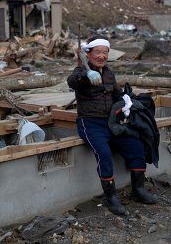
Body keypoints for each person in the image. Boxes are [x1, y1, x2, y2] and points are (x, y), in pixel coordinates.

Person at [67, 35, 158, 215]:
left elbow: (115, 93)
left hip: (111, 123)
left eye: (105, 52)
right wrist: (87, 74)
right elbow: (72, 81)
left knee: (136, 146)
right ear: (89, 54)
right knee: (104, 154)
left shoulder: (108, 72)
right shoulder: (80, 71)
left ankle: (138, 190)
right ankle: (111, 198)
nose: (101, 56)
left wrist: (126, 99)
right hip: (90, 124)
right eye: (97, 52)